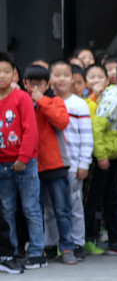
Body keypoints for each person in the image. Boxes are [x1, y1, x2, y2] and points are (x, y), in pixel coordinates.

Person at [87, 57, 117, 257]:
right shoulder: (114, 99)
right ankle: (87, 239)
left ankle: (116, 241)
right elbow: (98, 127)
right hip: (104, 157)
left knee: (112, 199)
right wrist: (101, 156)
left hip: (114, 155)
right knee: (94, 199)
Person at [0, 52, 42, 269]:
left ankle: (36, 252)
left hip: (24, 163)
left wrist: (23, 158)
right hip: (2, 164)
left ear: (15, 74)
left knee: (30, 208)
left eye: (6, 71)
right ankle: (11, 252)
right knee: (6, 210)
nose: (2, 76)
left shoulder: (22, 98)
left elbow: (30, 130)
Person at [23, 65, 68, 267]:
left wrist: (40, 99)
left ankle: (67, 247)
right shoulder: (22, 103)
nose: (35, 87)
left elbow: (61, 121)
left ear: (47, 84)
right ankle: (39, 247)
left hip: (55, 163)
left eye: (40, 83)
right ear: (24, 83)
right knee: (35, 210)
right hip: (31, 165)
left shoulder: (54, 101)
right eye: (32, 83)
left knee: (61, 209)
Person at [49, 60, 92, 259]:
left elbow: (86, 137)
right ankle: (52, 243)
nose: (61, 79)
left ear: (73, 79)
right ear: (50, 79)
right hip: (51, 164)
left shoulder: (79, 104)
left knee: (74, 206)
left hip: (74, 164)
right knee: (50, 207)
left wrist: (84, 164)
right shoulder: (46, 103)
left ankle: (77, 243)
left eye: (65, 75)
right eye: (57, 75)